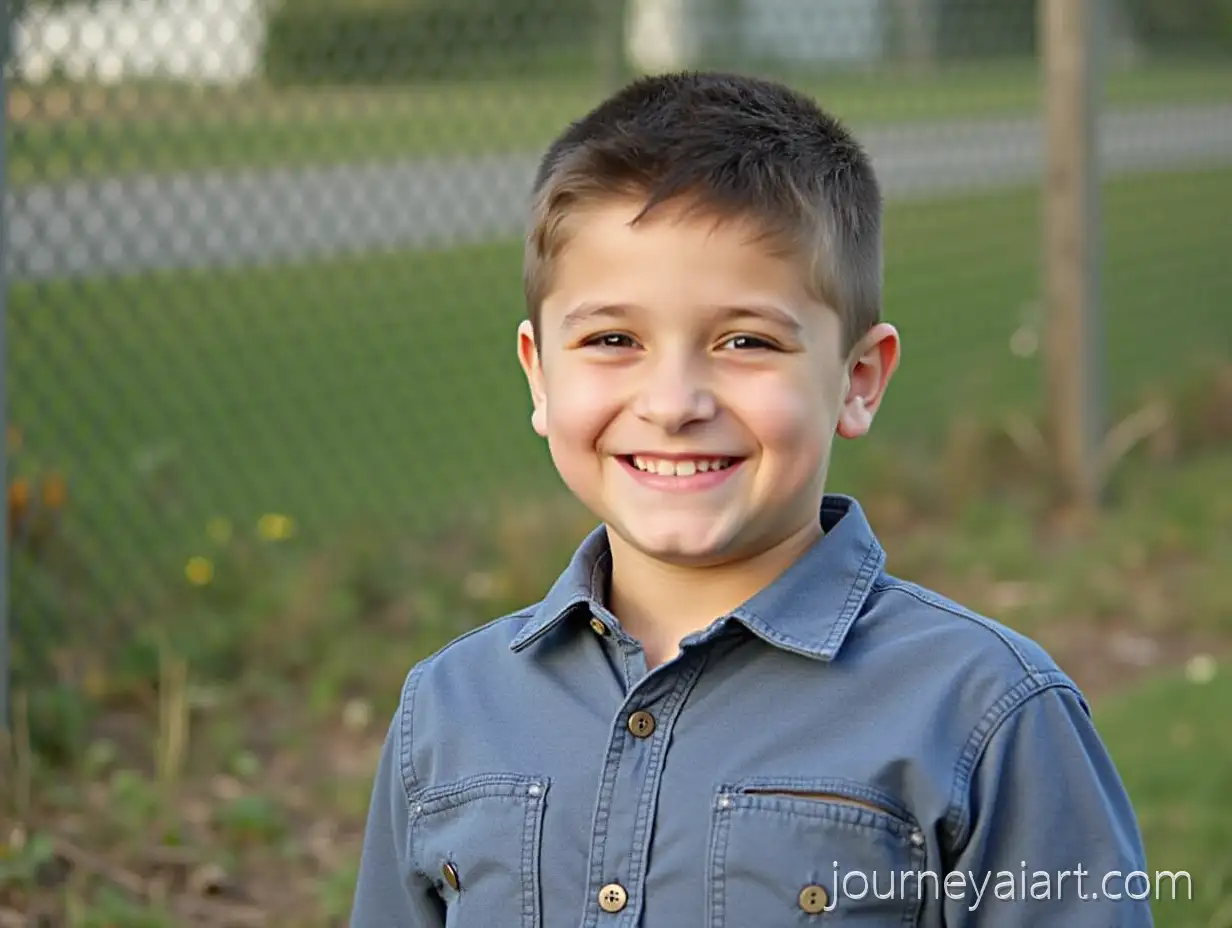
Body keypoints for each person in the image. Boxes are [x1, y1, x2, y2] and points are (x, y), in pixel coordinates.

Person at [350, 70, 1152, 927]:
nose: (673, 403)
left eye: (745, 342)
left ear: (857, 379)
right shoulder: (449, 709)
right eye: (613, 339)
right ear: (539, 376)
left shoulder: (984, 713)